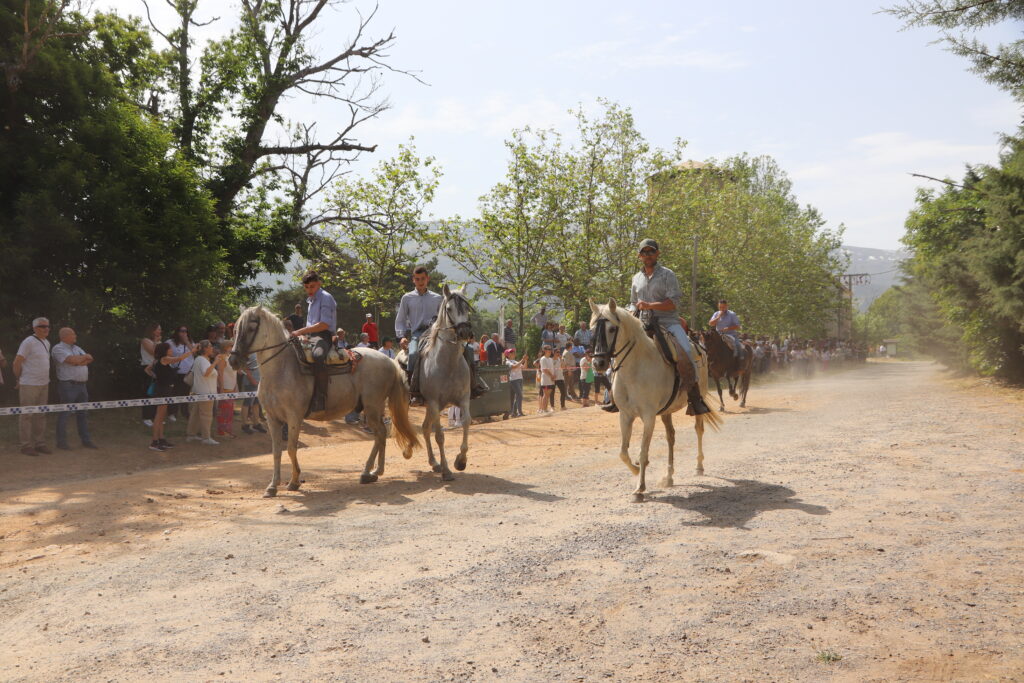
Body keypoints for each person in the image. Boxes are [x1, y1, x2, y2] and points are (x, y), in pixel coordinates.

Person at [614, 238, 710, 416]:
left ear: (657, 254)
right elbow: (633, 303)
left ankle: (694, 397)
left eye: (651, 252)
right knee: (618, 350)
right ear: (639, 256)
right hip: (641, 323)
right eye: (644, 252)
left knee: (686, 352)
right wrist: (628, 312)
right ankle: (613, 396)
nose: (648, 255)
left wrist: (650, 305)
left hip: (668, 323)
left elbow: (673, 303)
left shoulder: (668, 274)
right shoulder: (636, 278)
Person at [395, 265, 487, 399]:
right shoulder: (407, 298)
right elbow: (400, 319)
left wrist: (462, 331)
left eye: (423, 279)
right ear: (413, 280)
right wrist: (401, 337)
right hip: (418, 334)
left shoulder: (438, 298)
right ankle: (413, 390)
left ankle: (473, 386)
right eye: (417, 279)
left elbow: (450, 317)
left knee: (468, 350)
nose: (420, 281)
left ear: (428, 279)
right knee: (414, 353)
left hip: (437, 333)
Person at [290, 271, 336, 413]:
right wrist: (304, 336)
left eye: (312, 286)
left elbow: (324, 324)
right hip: (311, 336)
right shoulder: (311, 300)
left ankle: (320, 397)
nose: (310, 290)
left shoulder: (326, 298)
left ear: (319, 283)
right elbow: (311, 324)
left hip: (324, 336)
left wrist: (300, 332)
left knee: (317, 355)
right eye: (307, 287)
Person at [52, 327, 97, 450]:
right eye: (73, 334)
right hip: (68, 385)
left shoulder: (76, 348)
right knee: (65, 414)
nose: (76, 336)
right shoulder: (58, 348)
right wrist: (80, 359)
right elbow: (71, 360)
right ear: (65, 336)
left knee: (83, 414)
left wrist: (78, 361)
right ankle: (61, 443)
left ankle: (86, 440)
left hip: (82, 385)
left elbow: (90, 358)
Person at [13, 317, 52, 456]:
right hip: (29, 384)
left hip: (44, 383)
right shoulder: (28, 341)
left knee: (41, 415)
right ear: (35, 328)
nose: (46, 328)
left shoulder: (47, 342)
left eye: (47, 326)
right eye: (42, 326)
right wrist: (19, 379)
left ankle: (40, 443)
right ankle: (25, 446)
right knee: (27, 415)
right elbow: (17, 362)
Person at [147, 340, 193, 451]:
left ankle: (161, 439)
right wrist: (193, 350)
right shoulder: (164, 359)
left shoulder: (158, 360)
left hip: (165, 389)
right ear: (165, 351)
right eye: (169, 349)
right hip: (162, 390)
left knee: (162, 416)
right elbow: (179, 358)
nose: (171, 350)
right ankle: (154, 442)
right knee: (159, 417)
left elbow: (147, 369)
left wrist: (156, 377)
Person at [186, 340, 223, 445]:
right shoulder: (202, 360)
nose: (212, 348)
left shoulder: (200, 359)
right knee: (206, 415)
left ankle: (191, 435)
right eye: (210, 346)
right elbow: (206, 373)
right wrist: (215, 362)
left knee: (195, 415)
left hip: (199, 392)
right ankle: (206, 438)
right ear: (205, 348)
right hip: (206, 393)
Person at [168, 325, 194, 421]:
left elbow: (194, 352)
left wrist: (187, 342)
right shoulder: (170, 342)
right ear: (177, 332)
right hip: (176, 372)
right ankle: (172, 413)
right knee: (175, 393)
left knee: (186, 393)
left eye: (186, 331)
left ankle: (185, 412)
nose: (184, 333)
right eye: (182, 331)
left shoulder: (190, 342)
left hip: (187, 373)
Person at [140, 322, 161, 427]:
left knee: (156, 392)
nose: (160, 331)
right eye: (158, 329)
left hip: (157, 368)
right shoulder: (145, 340)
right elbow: (154, 352)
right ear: (152, 330)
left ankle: (154, 416)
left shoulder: (158, 341)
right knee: (148, 392)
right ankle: (146, 417)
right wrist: (156, 342)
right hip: (147, 368)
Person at [216, 340, 238, 439]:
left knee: (229, 411)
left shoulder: (231, 357)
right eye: (231, 345)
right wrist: (221, 388)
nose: (233, 347)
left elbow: (234, 373)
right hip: (225, 388)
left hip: (232, 387)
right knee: (223, 411)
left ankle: (228, 430)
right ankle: (222, 431)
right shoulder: (222, 358)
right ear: (226, 347)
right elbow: (219, 373)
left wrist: (236, 386)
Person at [240, 352, 265, 434]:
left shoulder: (259, 353)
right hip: (250, 383)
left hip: (258, 383)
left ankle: (256, 423)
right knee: (247, 403)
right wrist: (252, 380)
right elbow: (245, 368)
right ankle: (244, 425)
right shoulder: (249, 353)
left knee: (256, 403)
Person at [504, 349, 527, 417]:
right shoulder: (507, 362)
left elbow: (524, 367)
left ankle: (513, 413)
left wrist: (525, 360)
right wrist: (522, 360)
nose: (513, 353)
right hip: (513, 380)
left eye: (513, 352)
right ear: (507, 355)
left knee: (516, 396)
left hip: (519, 379)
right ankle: (519, 412)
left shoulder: (515, 361)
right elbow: (514, 367)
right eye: (511, 352)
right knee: (519, 395)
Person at [537, 345, 556, 414]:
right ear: (544, 350)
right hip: (545, 379)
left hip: (551, 379)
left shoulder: (551, 359)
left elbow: (552, 369)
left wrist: (554, 376)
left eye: (550, 349)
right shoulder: (543, 359)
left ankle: (545, 408)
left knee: (548, 395)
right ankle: (543, 409)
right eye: (548, 349)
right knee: (545, 394)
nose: (550, 351)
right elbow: (544, 370)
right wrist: (552, 376)